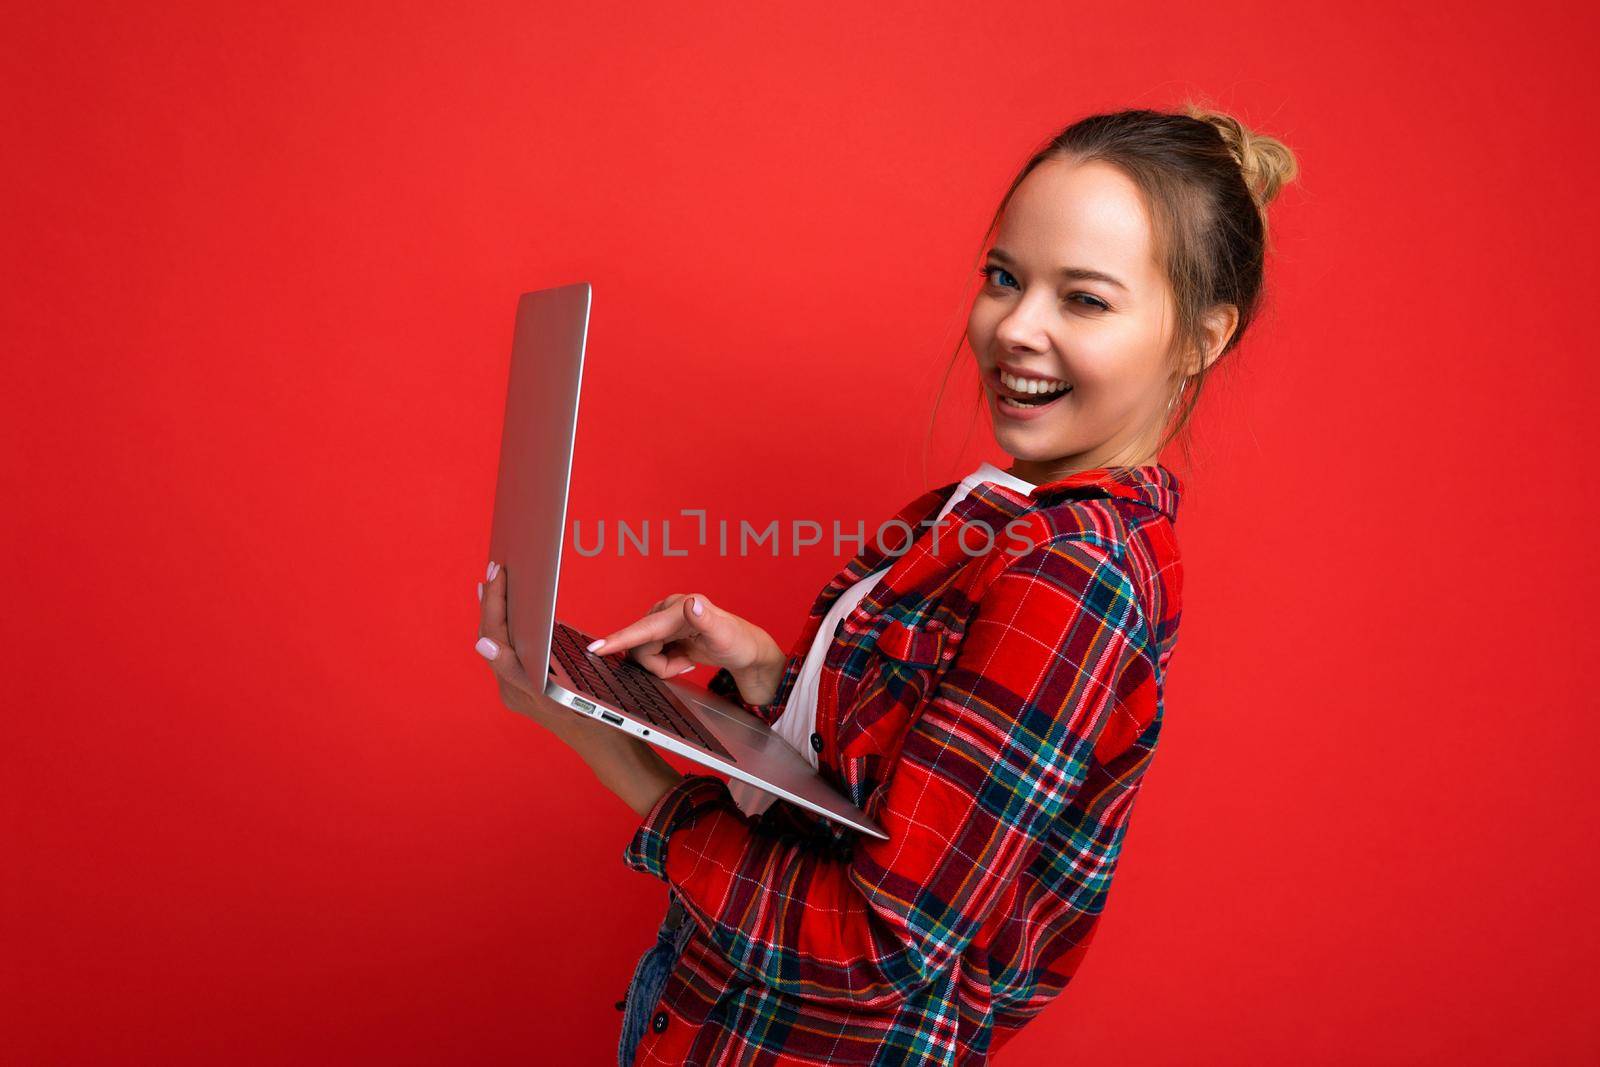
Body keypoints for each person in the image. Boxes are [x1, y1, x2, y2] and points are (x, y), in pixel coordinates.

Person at [472, 103, 1299, 1065]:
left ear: (1201, 337)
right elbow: (892, 786)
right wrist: (771, 671)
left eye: (1085, 300)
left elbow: (882, 944)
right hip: (722, 1016)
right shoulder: (985, 515)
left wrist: (596, 737)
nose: (1016, 328)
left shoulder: (1077, 573)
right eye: (1004, 278)